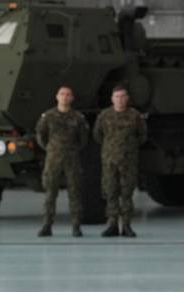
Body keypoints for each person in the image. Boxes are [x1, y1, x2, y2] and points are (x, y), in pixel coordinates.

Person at [93, 85, 148, 237]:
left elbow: (142, 136)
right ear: (112, 99)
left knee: (126, 194)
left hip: (128, 161)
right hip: (110, 161)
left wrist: (128, 148)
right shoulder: (104, 116)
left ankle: (127, 226)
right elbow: (97, 135)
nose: (120, 99)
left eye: (123, 96)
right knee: (111, 193)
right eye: (117, 97)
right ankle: (112, 224)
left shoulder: (134, 116)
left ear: (127, 98)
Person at [35, 85, 89, 237]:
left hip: (72, 159)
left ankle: (76, 226)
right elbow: (41, 136)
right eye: (62, 94)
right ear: (57, 97)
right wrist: (51, 149)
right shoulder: (48, 116)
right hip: (53, 159)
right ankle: (47, 225)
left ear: (71, 98)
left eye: (68, 94)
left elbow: (83, 139)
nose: (65, 97)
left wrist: (73, 149)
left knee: (75, 193)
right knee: (50, 193)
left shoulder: (78, 118)